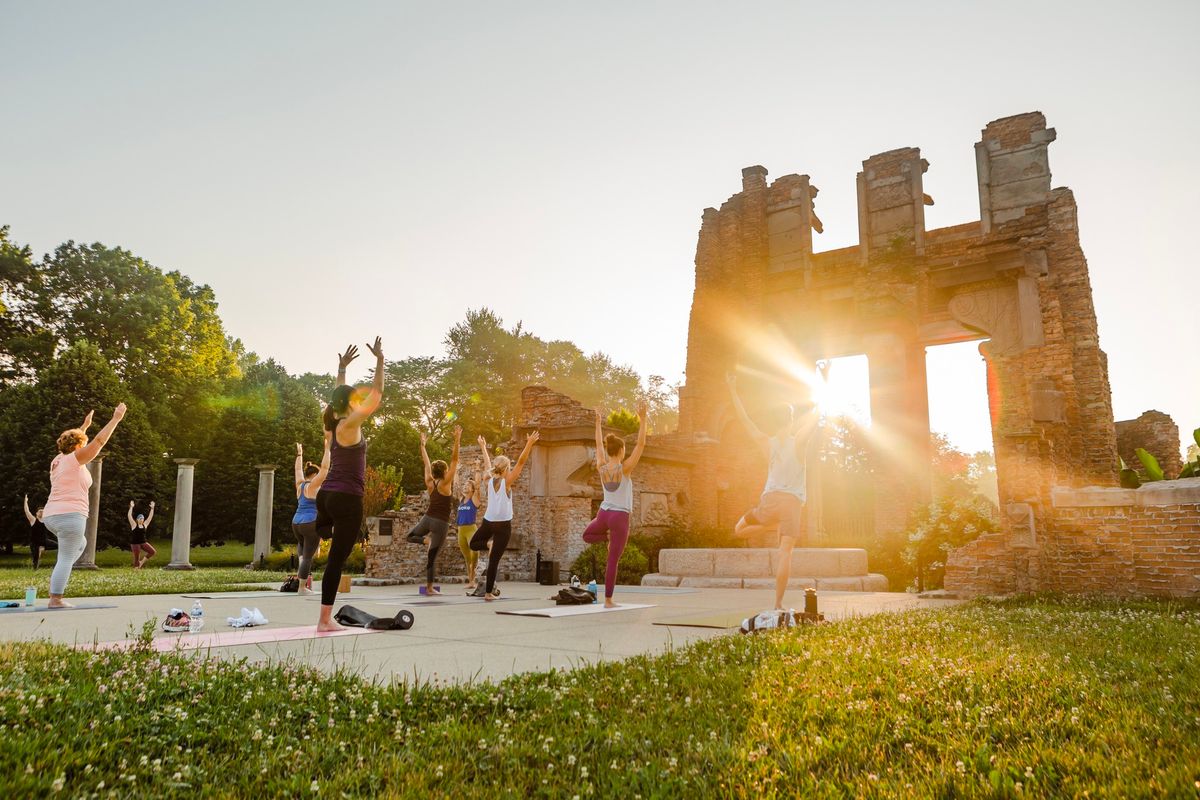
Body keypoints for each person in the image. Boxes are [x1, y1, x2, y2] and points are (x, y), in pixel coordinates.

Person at [727, 372, 820, 611]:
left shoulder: (766, 441)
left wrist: (733, 391)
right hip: (791, 504)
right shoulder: (799, 441)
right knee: (785, 553)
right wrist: (824, 381)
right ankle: (778, 603)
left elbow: (745, 419)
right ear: (790, 421)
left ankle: (771, 525)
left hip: (769, 502)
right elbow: (816, 417)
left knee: (739, 531)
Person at [315, 339, 384, 631]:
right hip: (346, 499)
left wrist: (341, 369)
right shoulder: (350, 424)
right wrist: (380, 361)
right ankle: (324, 621)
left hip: (325, 498)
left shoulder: (331, 423)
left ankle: (322, 529)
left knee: (333, 544)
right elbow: (377, 394)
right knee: (336, 561)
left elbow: (337, 398)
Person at [44, 404, 127, 607]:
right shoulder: (75, 459)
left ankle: (59, 575)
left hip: (52, 515)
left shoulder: (58, 460)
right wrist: (116, 419)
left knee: (80, 544)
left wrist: (85, 425)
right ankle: (56, 599)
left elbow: (74, 440)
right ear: (79, 446)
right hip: (69, 516)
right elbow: (99, 441)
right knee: (65, 557)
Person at [581, 401, 649, 608]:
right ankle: (609, 600)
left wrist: (598, 423)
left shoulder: (601, 466)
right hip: (619, 518)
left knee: (587, 535)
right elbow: (641, 445)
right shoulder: (625, 468)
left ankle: (606, 536)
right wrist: (643, 419)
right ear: (620, 451)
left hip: (603, 514)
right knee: (613, 560)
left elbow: (598, 445)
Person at [469, 431, 539, 601]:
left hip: (488, 522)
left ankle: (487, 544)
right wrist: (529, 443)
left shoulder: (489, 480)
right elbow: (521, 462)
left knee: (473, 544)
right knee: (493, 560)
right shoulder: (506, 482)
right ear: (507, 469)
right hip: (502, 526)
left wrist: (483, 447)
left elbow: (487, 464)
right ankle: (488, 593)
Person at [405, 426, 462, 595]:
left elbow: (426, 463)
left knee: (410, 536)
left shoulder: (430, 483)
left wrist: (423, 446)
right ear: (445, 471)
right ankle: (430, 588)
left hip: (428, 518)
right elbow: (455, 460)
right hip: (441, 523)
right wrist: (457, 439)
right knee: (432, 557)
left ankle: (425, 542)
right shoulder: (445, 484)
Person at [292, 439, 332, 595]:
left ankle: (302, 580)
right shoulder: (313, 486)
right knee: (308, 557)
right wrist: (327, 449)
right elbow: (325, 468)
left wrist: (299, 454)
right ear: (314, 476)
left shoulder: (300, 485)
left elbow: (297, 471)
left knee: (302, 555)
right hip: (310, 523)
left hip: (296, 523)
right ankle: (302, 588)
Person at [455, 466, 483, 593]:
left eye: (468, 485)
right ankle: (470, 581)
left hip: (471, 529)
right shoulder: (461, 500)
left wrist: (477, 469)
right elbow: (455, 485)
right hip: (461, 531)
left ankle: (474, 578)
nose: (465, 486)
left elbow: (477, 485)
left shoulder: (474, 500)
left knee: (474, 554)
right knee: (467, 558)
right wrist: (455, 470)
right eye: (464, 485)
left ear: (472, 490)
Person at [22, 495, 51, 570]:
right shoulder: (33, 520)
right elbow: (27, 511)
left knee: (59, 545)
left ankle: (42, 548)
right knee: (36, 559)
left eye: (43, 512)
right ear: (36, 513)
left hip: (44, 541)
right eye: (40, 512)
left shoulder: (46, 521)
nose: (41, 513)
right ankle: (35, 570)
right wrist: (25, 501)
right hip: (35, 543)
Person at [127, 500, 157, 568]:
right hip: (135, 543)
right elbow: (129, 516)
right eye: (140, 518)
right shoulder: (134, 525)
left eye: (142, 518)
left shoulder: (145, 525)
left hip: (143, 542)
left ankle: (141, 562)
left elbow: (150, 517)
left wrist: (152, 508)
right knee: (136, 558)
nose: (141, 520)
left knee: (152, 552)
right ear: (137, 519)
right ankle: (136, 569)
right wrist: (131, 507)